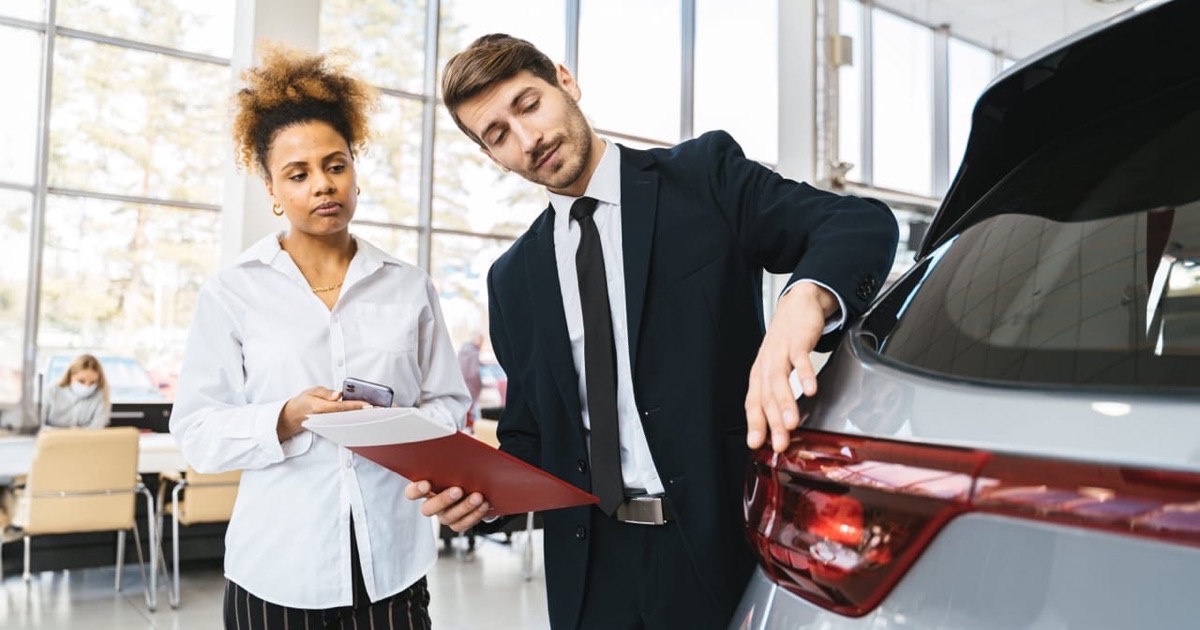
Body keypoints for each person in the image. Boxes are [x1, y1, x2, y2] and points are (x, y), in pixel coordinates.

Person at [406, 34, 899, 629]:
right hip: (591, 574)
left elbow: (857, 223)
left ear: (566, 82)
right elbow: (534, 441)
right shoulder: (513, 279)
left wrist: (801, 304)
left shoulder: (704, 178)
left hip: (719, 550)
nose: (528, 139)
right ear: (491, 156)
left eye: (528, 104)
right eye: (498, 134)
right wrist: (483, 498)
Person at [171, 44, 469, 629]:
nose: (323, 185)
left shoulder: (408, 287)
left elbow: (450, 406)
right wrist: (283, 416)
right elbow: (197, 432)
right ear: (272, 190)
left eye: (336, 165)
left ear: (355, 170)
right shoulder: (233, 292)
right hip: (279, 570)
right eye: (298, 174)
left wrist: (397, 429)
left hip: (393, 566)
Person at [42, 353, 111, 429]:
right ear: (71, 375)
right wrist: (66, 433)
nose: (87, 386)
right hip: (51, 439)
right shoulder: (51, 391)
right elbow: (38, 426)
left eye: (92, 382)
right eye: (81, 381)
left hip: (85, 440)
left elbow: (97, 429)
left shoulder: (100, 396)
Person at [456, 331, 484, 428]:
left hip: (460, 385)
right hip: (471, 387)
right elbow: (474, 373)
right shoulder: (474, 352)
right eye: (481, 341)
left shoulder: (463, 350)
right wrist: (480, 385)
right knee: (471, 414)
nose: (482, 344)